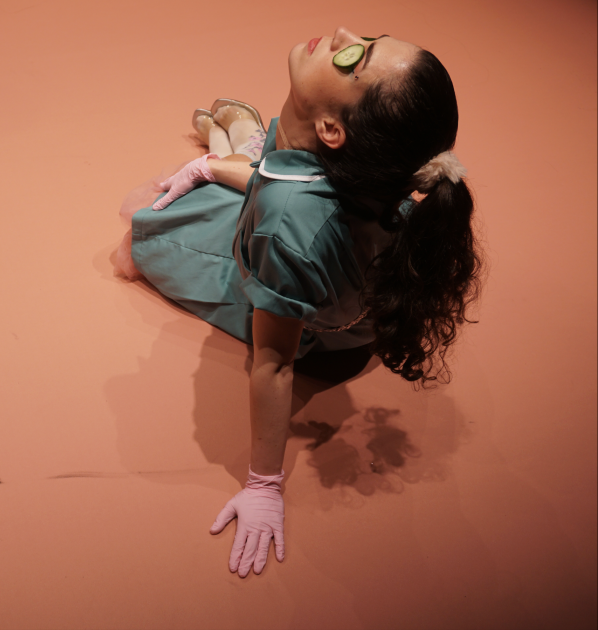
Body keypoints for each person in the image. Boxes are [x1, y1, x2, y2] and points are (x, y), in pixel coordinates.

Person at [116, 27, 482, 578]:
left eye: (354, 59)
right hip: (324, 269)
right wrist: (210, 168)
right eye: (368, 37)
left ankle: (239, 142)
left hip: (310, 321)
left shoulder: (288, 222)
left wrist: (263, 484)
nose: (343, 34)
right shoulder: (368, 166)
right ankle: (238, 146)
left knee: (141, 231)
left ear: (332, 129)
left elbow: (275, 361)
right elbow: (287, 187)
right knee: (230, 174)